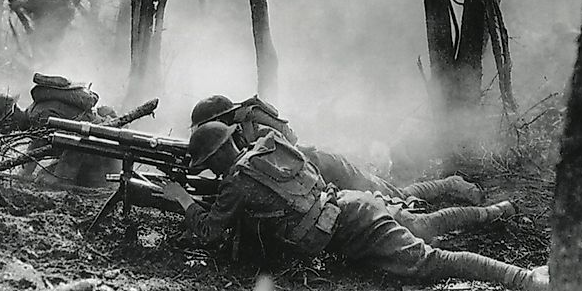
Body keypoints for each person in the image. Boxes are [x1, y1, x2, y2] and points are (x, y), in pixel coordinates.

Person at [161, 122, 548, 291]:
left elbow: (211, 231)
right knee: (425, 225)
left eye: (207, 163)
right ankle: (497, 212)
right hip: (350, 204)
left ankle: (526, 279)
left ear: (214, 158)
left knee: (429, 261)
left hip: (351, 225)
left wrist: (182, 200)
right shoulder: (267, 148)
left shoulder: (237, 184)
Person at [190, 95, 482, 204]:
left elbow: (288, 144)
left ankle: (452, 184)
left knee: (394, 196)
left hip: (324, 167)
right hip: (313, 183)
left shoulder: (253, 125)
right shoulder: (238, 135)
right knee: (387, 200)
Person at [0, 73, 118, 187]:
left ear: (8, 120)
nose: (0, 132)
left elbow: (74, 144)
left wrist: (59, 181)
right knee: (43, 178)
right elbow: (34, 153)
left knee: (49, 183)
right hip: (95, 151)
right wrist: (21, 176)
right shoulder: (34, 117)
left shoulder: (40, 118)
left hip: (104, 155)